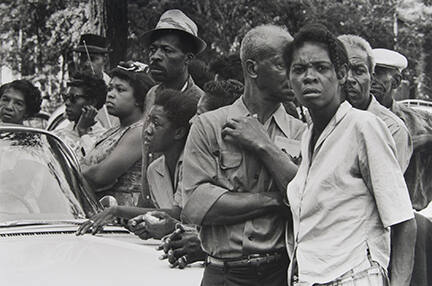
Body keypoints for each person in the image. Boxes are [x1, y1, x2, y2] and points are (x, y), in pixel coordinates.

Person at [284, 24, 416, 286]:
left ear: (341, 74)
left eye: (321, 68)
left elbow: (403, 222)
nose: (309, 77)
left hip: (354, 276)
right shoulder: (309, 135)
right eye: (299, 70)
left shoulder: (363, 126)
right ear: (289, 79)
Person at [181, 24, 306, 286]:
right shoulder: (210, 126)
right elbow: (196, 206)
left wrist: (263, 144)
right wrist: (276, 200)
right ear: (252, 69)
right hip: (223, 273)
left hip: (278, 273)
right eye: (283, 65)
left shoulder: (302, 133)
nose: (294, 74)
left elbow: (306, 200)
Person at [76, 88, 198, 236]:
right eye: (148, 121)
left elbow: (178, 214)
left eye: (157, 124)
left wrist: (119, 211)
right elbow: (161, 218)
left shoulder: (192, 164)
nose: (147, 130)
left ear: (178, 132)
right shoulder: (154, 169)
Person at [139, 9, 207, 207]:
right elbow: (147, 155)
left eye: (167, 50)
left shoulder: (200, 104)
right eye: (153, 50)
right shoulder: (152, 94)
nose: (156, 57)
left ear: (187, 58)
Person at [80, 61, 155, 207]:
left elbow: (100, 176)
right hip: (99, 211)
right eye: (110, 89)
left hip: (123, 218)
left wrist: (72, 171)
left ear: (139, 99)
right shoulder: (116, 129)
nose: (111, 95)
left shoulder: (139, 131)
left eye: (120, 90)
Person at [338, 35, 412, 172]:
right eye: (341, 71)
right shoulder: (318, 120)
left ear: (370, 78)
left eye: (359, 71)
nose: (349, 78)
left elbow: (385, 189)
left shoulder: (392, 129)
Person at [372, 48, 432, 210]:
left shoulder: (420, 121)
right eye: (365, 71)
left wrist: (427, 140)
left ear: (396, 81)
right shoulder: (345, 116)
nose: (370, 79)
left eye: (377, 73)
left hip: (411, 213)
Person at [54, 73, 107, 161]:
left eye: (73, 98)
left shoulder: (104, 138)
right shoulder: (58, 136)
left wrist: (83, 132)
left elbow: (94, 165)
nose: (67, 103)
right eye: (65, 97)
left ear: (92, 102)